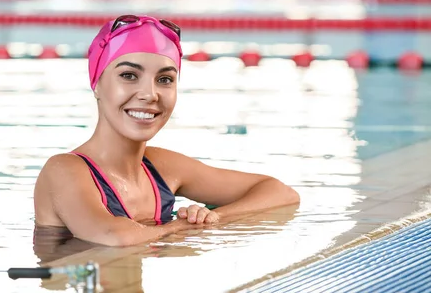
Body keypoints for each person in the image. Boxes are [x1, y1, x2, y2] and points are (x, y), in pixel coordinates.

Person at [34, 15, 300, 246]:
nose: (150, 95)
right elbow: (116, 238)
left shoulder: (161, 167)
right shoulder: (64, 170)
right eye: (128, 75)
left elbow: (281, 193)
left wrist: (212, 217)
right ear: (97, 84)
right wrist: (184, 228)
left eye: (164, 80)